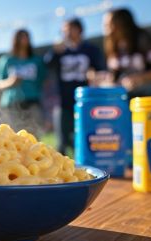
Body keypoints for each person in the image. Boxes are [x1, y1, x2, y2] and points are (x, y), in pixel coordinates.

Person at [44, 18, 105, 154]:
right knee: (62, 142)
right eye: (64, 30)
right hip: (63, 100)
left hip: (84, 101)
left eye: (70, 28)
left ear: (79, 30)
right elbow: (47, 65)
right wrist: (54, 51)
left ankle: (86, 168)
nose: (66, 33)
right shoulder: (60, 50)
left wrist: (94, 75)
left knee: (85, 137)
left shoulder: (90, 49)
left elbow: (100, 70)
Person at [102, 8, 151, 98]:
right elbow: (114, 75)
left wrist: (139, 78)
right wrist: (106, 80)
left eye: (110, 24)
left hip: (146, 96)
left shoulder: (143, 39)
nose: (106, 27)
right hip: (122, 97)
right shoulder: (112, 45)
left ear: (122, 23)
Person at [0, 29, 46, 135]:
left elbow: (43, 79)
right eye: (21, 37)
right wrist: (10, 82)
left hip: (32, 100)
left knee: (33, 134)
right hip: (12, 102)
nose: (24, 40)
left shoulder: (36, 60)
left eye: (26, 36)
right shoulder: (7, 60)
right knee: (14, 135)